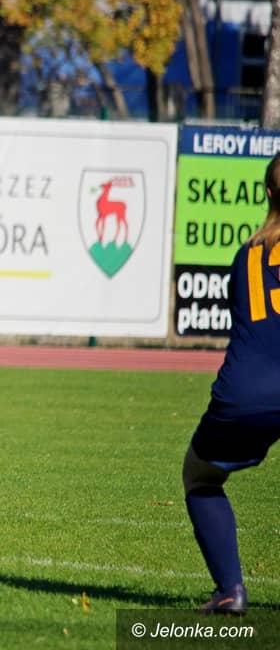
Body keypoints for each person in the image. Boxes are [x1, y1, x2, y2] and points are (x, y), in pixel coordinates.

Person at [182, 154, 280, 616]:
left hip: (247, 391)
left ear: (267, 193)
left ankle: (230, 590)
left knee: (200, 476)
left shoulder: (247, 254)